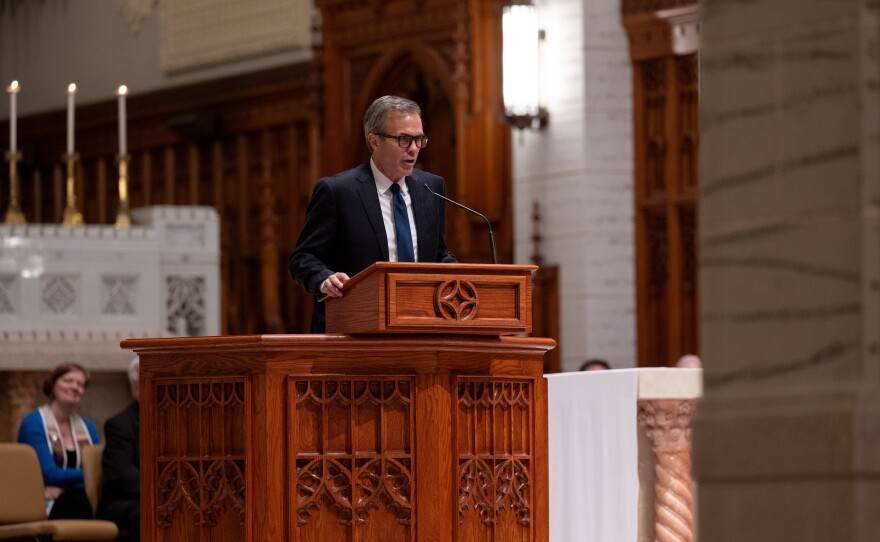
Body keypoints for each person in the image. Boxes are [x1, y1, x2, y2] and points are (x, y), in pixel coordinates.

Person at [290, 95, 457, 332]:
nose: (413, 149)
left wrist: (458, 272)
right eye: (403, 139)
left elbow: (438, 252)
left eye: (419, 139)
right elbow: (303, 258)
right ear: (374, 141)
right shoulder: (338, 192)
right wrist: (324, 279)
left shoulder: (431, 188)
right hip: (354, 330)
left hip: (420, 327)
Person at [17, 362, 100, 519]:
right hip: (46, 500)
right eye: (68, 381)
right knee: (77, 505)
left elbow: (98, 470)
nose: (75, 387)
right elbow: (49, 474)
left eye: (80, 384)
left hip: (82, 496)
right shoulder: (34, 422)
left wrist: (67, 486)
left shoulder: (87, 426)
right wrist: (86, 476)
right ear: (53, 385)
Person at [98, 357, 140, 541]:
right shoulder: (119, 424)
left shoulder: (175, 419)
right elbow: (123, 474)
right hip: (126, 500)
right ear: (136, 386)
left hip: (165, 496)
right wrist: (165, 492)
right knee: (150, 513)